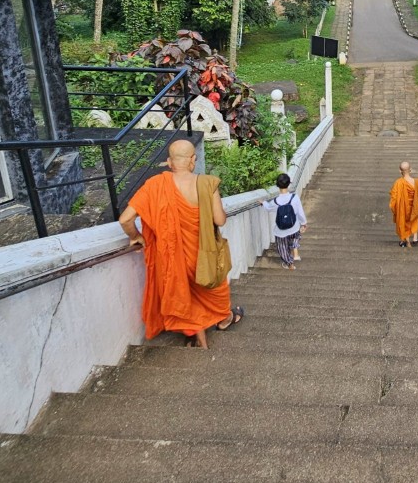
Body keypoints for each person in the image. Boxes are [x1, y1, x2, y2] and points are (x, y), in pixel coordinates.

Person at [119, 139, 244, 349]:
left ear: (169, 162)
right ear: (193, 160)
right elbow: (220, 220)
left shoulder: (155, 185)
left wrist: (135, 236)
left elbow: (125, 219)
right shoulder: (207, 184)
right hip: (203, 256)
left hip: (173, 257)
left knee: (183, 291)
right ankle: (224, 319)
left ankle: (196, 334)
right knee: (215, 289)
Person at [261, 172, 307, 269]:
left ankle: (289, 263)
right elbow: (300, 212)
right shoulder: (295, 198)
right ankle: (295, 249)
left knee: (282, 247)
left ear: (277, 185)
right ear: (289, 183)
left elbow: (268, 208)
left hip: (281, 230)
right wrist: (303, 223)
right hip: (293, 226)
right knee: (296, 235)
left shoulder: (275, 202)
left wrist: (263, 202)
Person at [389, 161, 418, 247]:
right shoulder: (416, 182)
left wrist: (394, 207)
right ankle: (415, 238)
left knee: (404, 223)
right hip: (414, 207)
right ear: (410, 170)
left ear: (400, 171)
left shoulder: (398, 183)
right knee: (415, 219)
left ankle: (407, 242)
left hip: (403, 208)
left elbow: (394, 198)